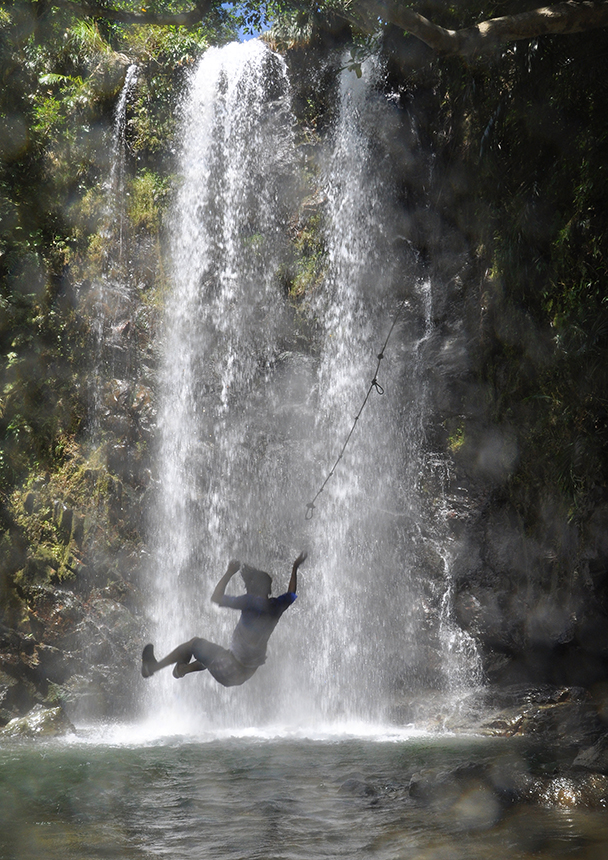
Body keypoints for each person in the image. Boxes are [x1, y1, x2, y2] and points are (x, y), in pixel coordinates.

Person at [141, 551, 307, 688]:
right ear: (267, 589)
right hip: (245, 673)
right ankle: (182, 669)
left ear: (252, 588)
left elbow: (216, 598)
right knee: (216, 654)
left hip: (229, 669)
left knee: (194, 644)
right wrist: (295, 567)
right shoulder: (276, 605)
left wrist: (229, 572)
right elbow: (291, 593)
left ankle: (153, 668)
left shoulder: (249, 601)